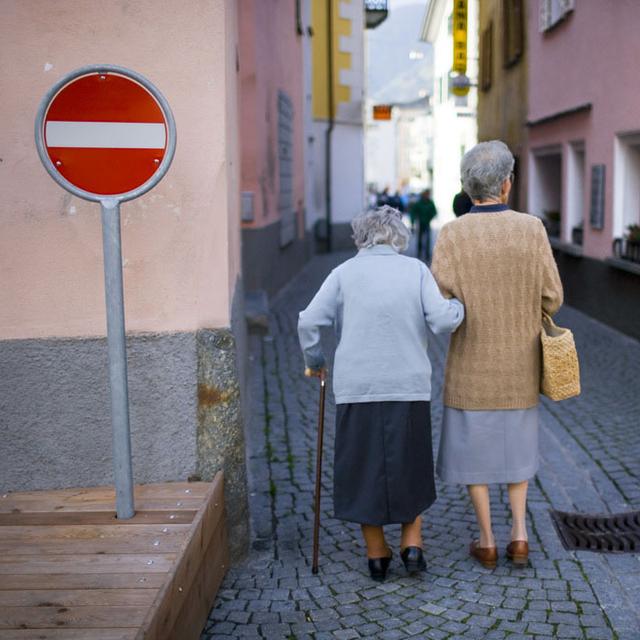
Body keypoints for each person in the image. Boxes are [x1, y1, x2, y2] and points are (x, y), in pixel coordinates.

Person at [298, 206, 464, 582]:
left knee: (361, 468)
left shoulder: (344, 273)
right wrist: (458, 308)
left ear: (361, 237)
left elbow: (309, 320)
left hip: (358, 387)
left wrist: (316, 358)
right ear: (399, 236)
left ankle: (376, 554)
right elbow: (441, 320)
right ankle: (412, 543)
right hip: (407, 385)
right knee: (411, 464)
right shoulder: (416, 270)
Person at [431, 140, 563, 569]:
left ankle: (487, 539)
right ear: (507, 184)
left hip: (471, 363)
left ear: (469, 189)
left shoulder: (452, 234)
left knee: (473, 452)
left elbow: (439, 300)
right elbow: (553, 297)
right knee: (518, 448)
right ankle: (520, 535)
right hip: (520, 363)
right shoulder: (532, 229)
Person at [410, 189, 437, 261]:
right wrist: (413, 222)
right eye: (426, 194)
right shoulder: (419, 203)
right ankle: (419, 252)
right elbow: (413, 212)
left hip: (427, 223)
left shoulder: (430, 202)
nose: (427, 196)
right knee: (420, 239)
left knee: (428, 239)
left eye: (428, 194)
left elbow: (434, 212)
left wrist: (430, 217)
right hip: (421, 223)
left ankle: (427, 254)